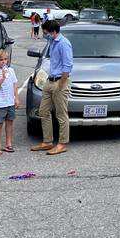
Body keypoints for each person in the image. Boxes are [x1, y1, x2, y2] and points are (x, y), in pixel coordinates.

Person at [31, 20, 73, 155]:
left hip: (60, 82)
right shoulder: (52, 42)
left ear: (53, 32)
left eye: (46, 33)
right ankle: (48, 142)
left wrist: (61, 84)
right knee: (43, 111)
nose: (44, 35)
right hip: (50, 81)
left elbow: (68, 66)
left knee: (61, 114)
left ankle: (62, 144)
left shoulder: (64, 44)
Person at [0, 50, 18, 155]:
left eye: (5, 59)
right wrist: (2, 78)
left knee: (10, 123)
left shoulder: (11, 70)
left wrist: (16, 98)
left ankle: (8, 144)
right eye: (1, 60)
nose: (4, 62)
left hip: (10, 102)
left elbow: (15, 84)